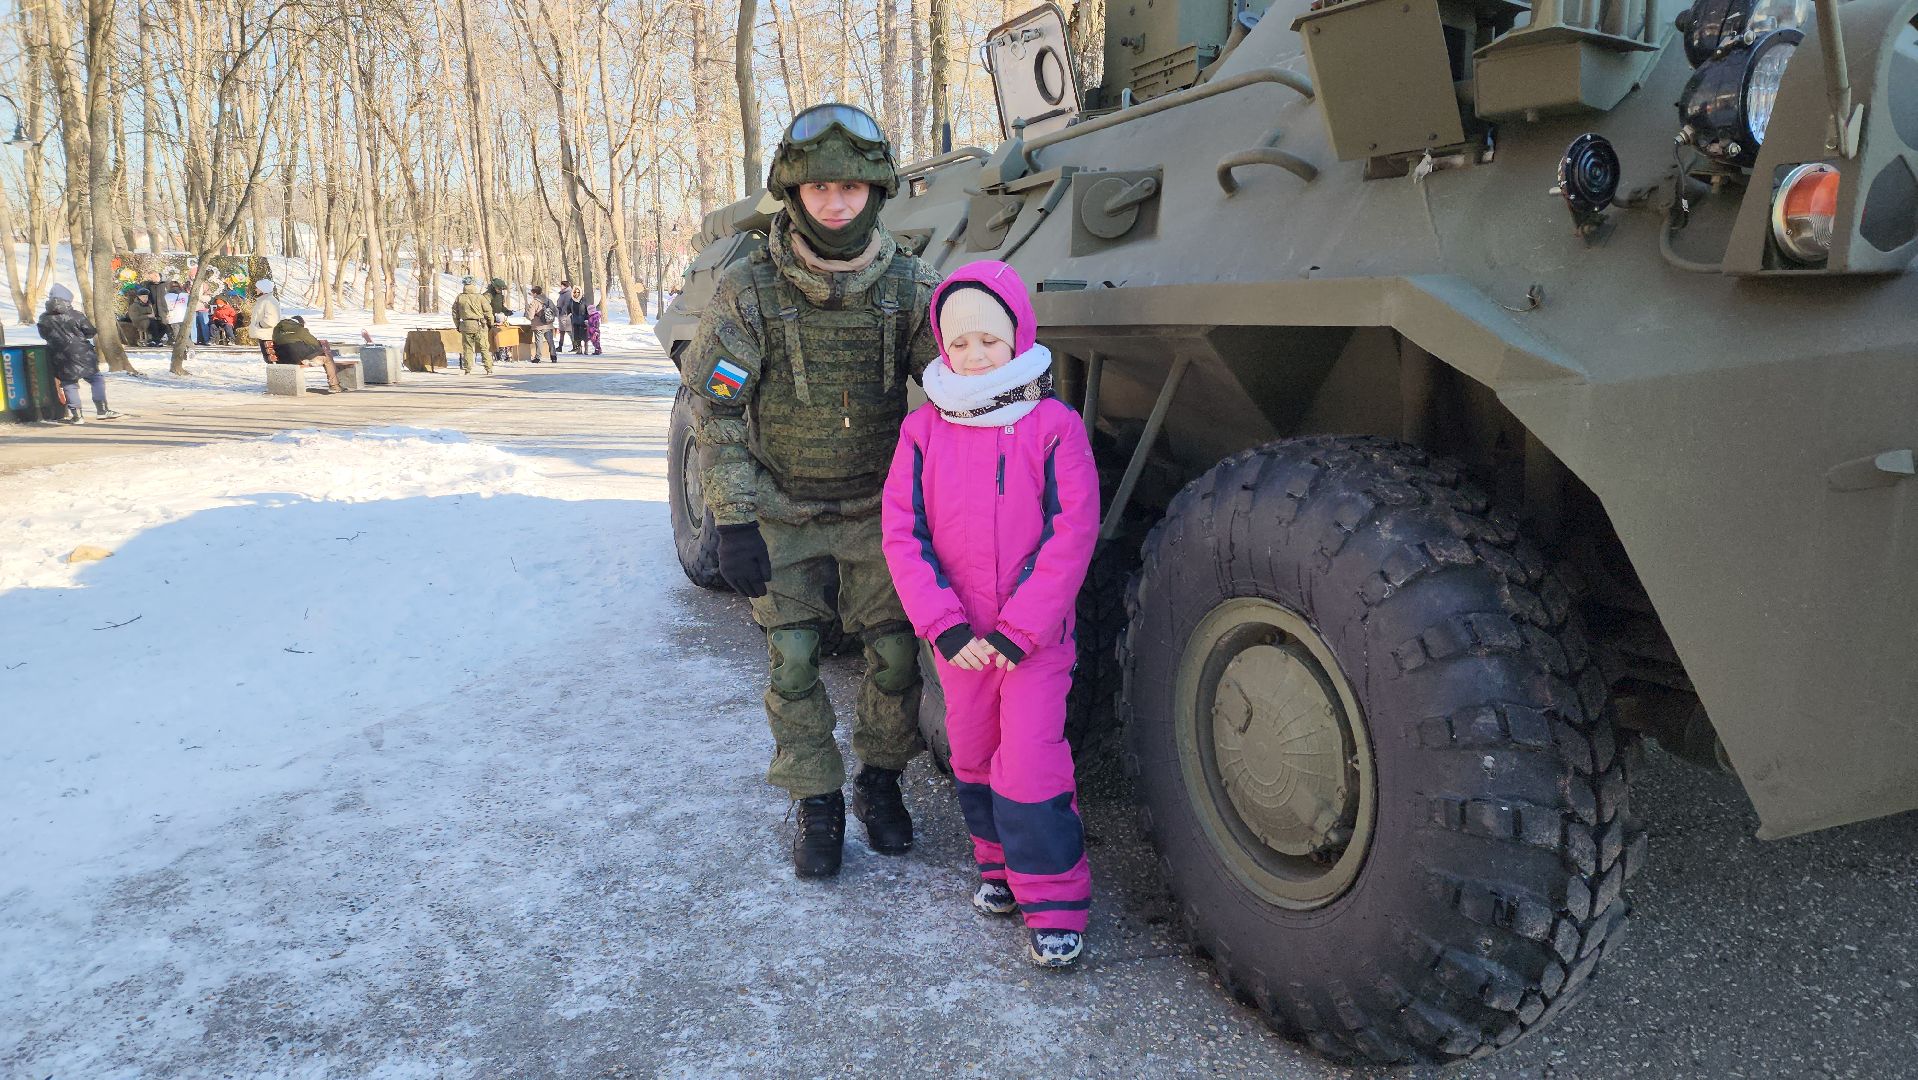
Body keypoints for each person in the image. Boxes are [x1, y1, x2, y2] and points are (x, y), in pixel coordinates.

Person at [681, 103, 942, 878]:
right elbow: (718, 409)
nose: (837, 203)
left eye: (853, 189)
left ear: (876, 193)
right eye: (822, 187)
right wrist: (732, 519)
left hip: (876, 508)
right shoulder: (750, 290)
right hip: (781, 504)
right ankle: (815, 797)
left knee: (894, 656)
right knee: (793, 657)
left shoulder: (909, 286)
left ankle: (880, 783)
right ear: (794, 194)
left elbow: (958, 391)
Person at [881, 260, 1099, 968]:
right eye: (960, 343)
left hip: (1030, 641)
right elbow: (903, 533)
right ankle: (998, 867)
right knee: (972, 755)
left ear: (1018, 337)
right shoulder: (923, 431)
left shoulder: (1053, 426)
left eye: (990, 340)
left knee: (1029, 763)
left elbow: (1072, 534)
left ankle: (1056, 901)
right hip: (961, 643)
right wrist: (943, 625)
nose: (974, 356)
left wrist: (1019, 629)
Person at [37, 283, 120, 423]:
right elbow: (90, 332)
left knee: (69, 383)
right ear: (66, 300)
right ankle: (102, 410)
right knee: (96, 379)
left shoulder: (44, 318)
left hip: (59, 356)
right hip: (82, 353)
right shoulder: (76, 315)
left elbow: (43, 335)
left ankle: (77, 416)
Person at [270, 314, 347, 392]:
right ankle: (334, 385)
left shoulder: (277, 331)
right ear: (300, 323)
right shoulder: (300, 330)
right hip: (300, 358)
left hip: (283, 359)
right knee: (328, 359)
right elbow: (314, 343)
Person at [451, 276, 493, 375]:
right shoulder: (480, 297)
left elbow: (454, 312)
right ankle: (488, 368)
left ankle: (468, 369)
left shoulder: (460, 297)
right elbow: (488, 311)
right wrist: (490, 323)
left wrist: (458, 325)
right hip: (480, 324)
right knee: (484, 347)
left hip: (466, 325)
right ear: (474, 285)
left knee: (467, 347)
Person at [249, 280, 282, 361]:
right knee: (269, 359)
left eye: (257, 288)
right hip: (264, 334)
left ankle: (276, 373)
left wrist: (260, 325)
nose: (256, 289)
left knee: (271, 360)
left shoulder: (269, 301)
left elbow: (271, 319)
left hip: (267, 335)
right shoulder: (264, 300)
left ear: (263, 289)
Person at [486, 276, 513, 365]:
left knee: (501, 336)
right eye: (499, 288)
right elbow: (485, 308)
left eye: (501, 289)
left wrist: (506, 311)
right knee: (491, 338)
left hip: (499, 319)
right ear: (494, 287)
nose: (500, 290)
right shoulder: (487, 295)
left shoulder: (500, 296)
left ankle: (502, 353)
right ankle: (493, 354)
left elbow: (501, 307)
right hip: (489, 319)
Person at [526, 284, 556, 363]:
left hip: (538, 325)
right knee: (550, 341)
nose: (532, 295)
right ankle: (554, 356)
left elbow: (530, 316)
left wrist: (528, 316)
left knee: (539, 341)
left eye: (532, 293)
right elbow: (556, 311)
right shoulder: (549, 300)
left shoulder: (534, 302)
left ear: (535, 294)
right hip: (549, 324)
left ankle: (538, 357)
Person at [162, 281, 188, 346]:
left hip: (173, 318)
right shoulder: (185, 295)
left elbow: (164, 307)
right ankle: (185, 345)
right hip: (184, 317)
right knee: (184, 333)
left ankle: (178, 344)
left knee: (176, 333)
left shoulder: (166, 296)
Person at [553, 281, 576, 352]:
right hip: (561, 315)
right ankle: (560, 346)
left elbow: (567, 304)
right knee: (562, 331)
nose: (561, 287)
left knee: (569, 331)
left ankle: (575, 346)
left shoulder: (568, 293)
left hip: (566, 315)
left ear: (565, 286)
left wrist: (563, 312)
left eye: (562, 285)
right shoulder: (562, 293)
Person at [568, 288, 590, 354]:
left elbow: (587, 310)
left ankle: (586, 349)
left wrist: (587, 319)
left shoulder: (583, 300)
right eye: (575, 292)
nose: (576, 293)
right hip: (575, 320)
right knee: (576, 336)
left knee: (584, 336)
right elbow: (568, 308)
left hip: (583, 320)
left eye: (578, 292)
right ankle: (579, 349)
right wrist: (569, 314)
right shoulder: (571, 300)